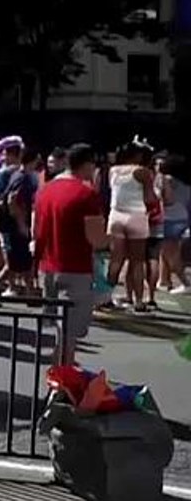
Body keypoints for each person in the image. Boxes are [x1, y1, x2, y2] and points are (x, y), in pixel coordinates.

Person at [33, 144, 107, 366]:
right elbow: (96, 238)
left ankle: (61, 369)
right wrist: (111, 239)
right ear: (86, 164)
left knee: (59, 326)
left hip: (47, 265)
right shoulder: (86, 194)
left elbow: (36, 230)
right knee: (70, 330)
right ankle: (64, 379)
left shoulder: (44, 190)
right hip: (76, 267)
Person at [106, 139, 158, 311]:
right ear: (138, 155)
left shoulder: (113, 170)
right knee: (137, 261)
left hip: (116, 215)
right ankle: (138, 301)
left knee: (115, 260)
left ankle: (105, 297)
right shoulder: (143, 172)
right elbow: (150, 198)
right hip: (137, 215)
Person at [0, 141, 36, 297]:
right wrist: (22, 223)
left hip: (10, 223)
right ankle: (21, 289)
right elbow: (12, 200)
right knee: (19, 258)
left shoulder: (14, 174)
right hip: (15, 224)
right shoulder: (24, 177)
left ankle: (17, 288)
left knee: (18, 258)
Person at [156, 154, 190, 295]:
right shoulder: (184, 181)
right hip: (182, 217)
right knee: (166, 250)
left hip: (168, 218)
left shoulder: (165, 179)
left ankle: (186, 283)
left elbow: (164, 199)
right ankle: (164, 280)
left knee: (170, 252)